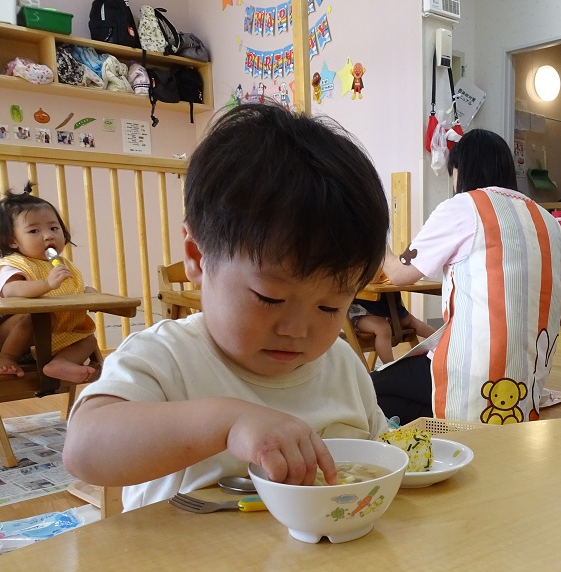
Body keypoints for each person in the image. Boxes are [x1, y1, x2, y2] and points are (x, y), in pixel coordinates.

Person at [62, 103, 392, 510]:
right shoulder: (166, 358)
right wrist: (228, 422)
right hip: (184, 552)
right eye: (270, 297)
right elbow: (84, 450)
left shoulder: (341, 365)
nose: (296, 330)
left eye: (329, 307)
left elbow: (382, 460)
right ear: (197, 258)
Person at [373, 129, 561, 424]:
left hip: (466, 371)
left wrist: (376, 236)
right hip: (526, 382)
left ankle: (446, 427)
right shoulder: (549, 223)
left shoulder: (462, 206)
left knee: (368, 388)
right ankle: (453, 424)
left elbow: (399, 274)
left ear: (460, 170)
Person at [0, 183, 102, 383]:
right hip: (15, 339)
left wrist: (88, 293)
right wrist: (47, 284)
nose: (48, 235)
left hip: (57, 337)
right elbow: (11, 290)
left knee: (88, 339)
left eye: (54, 228)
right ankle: (6, 358)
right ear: (12, 241)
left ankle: (61, 364)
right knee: (36, 318)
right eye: (34, 231)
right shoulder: (13, 264)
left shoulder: (64, 265)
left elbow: (73, 288)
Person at [348, 274, 436, 365]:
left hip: (391, 309)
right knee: (382, 328)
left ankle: (442, 343)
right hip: (362, 313)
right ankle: (390, 365)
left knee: (411, 320)